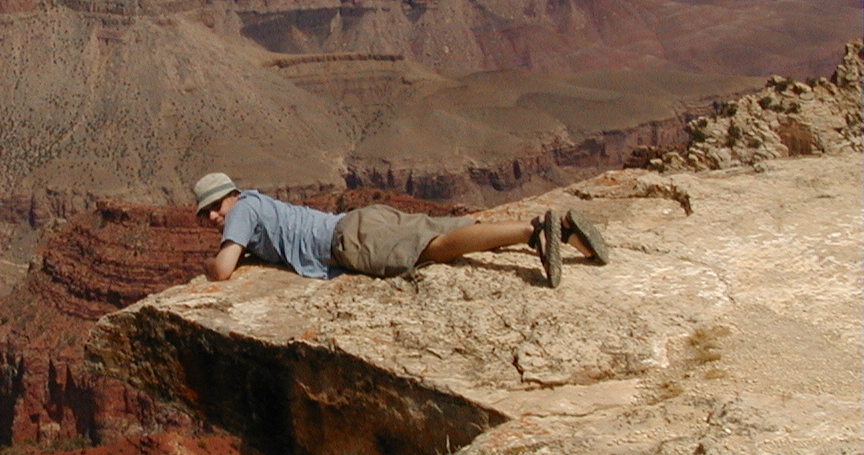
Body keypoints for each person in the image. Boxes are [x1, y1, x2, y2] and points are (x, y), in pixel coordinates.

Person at [192, 172, 607, 288]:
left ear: (231, 196)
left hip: (349, 241)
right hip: (361, 221)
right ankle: (566, 231)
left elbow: (224, 270)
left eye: (215, 207)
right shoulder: (257, 203)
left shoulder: (242, 211)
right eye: (205, 214)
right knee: (456, 228)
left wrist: (211, 264)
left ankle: (534, 232)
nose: (214, 217)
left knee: (435, 248)